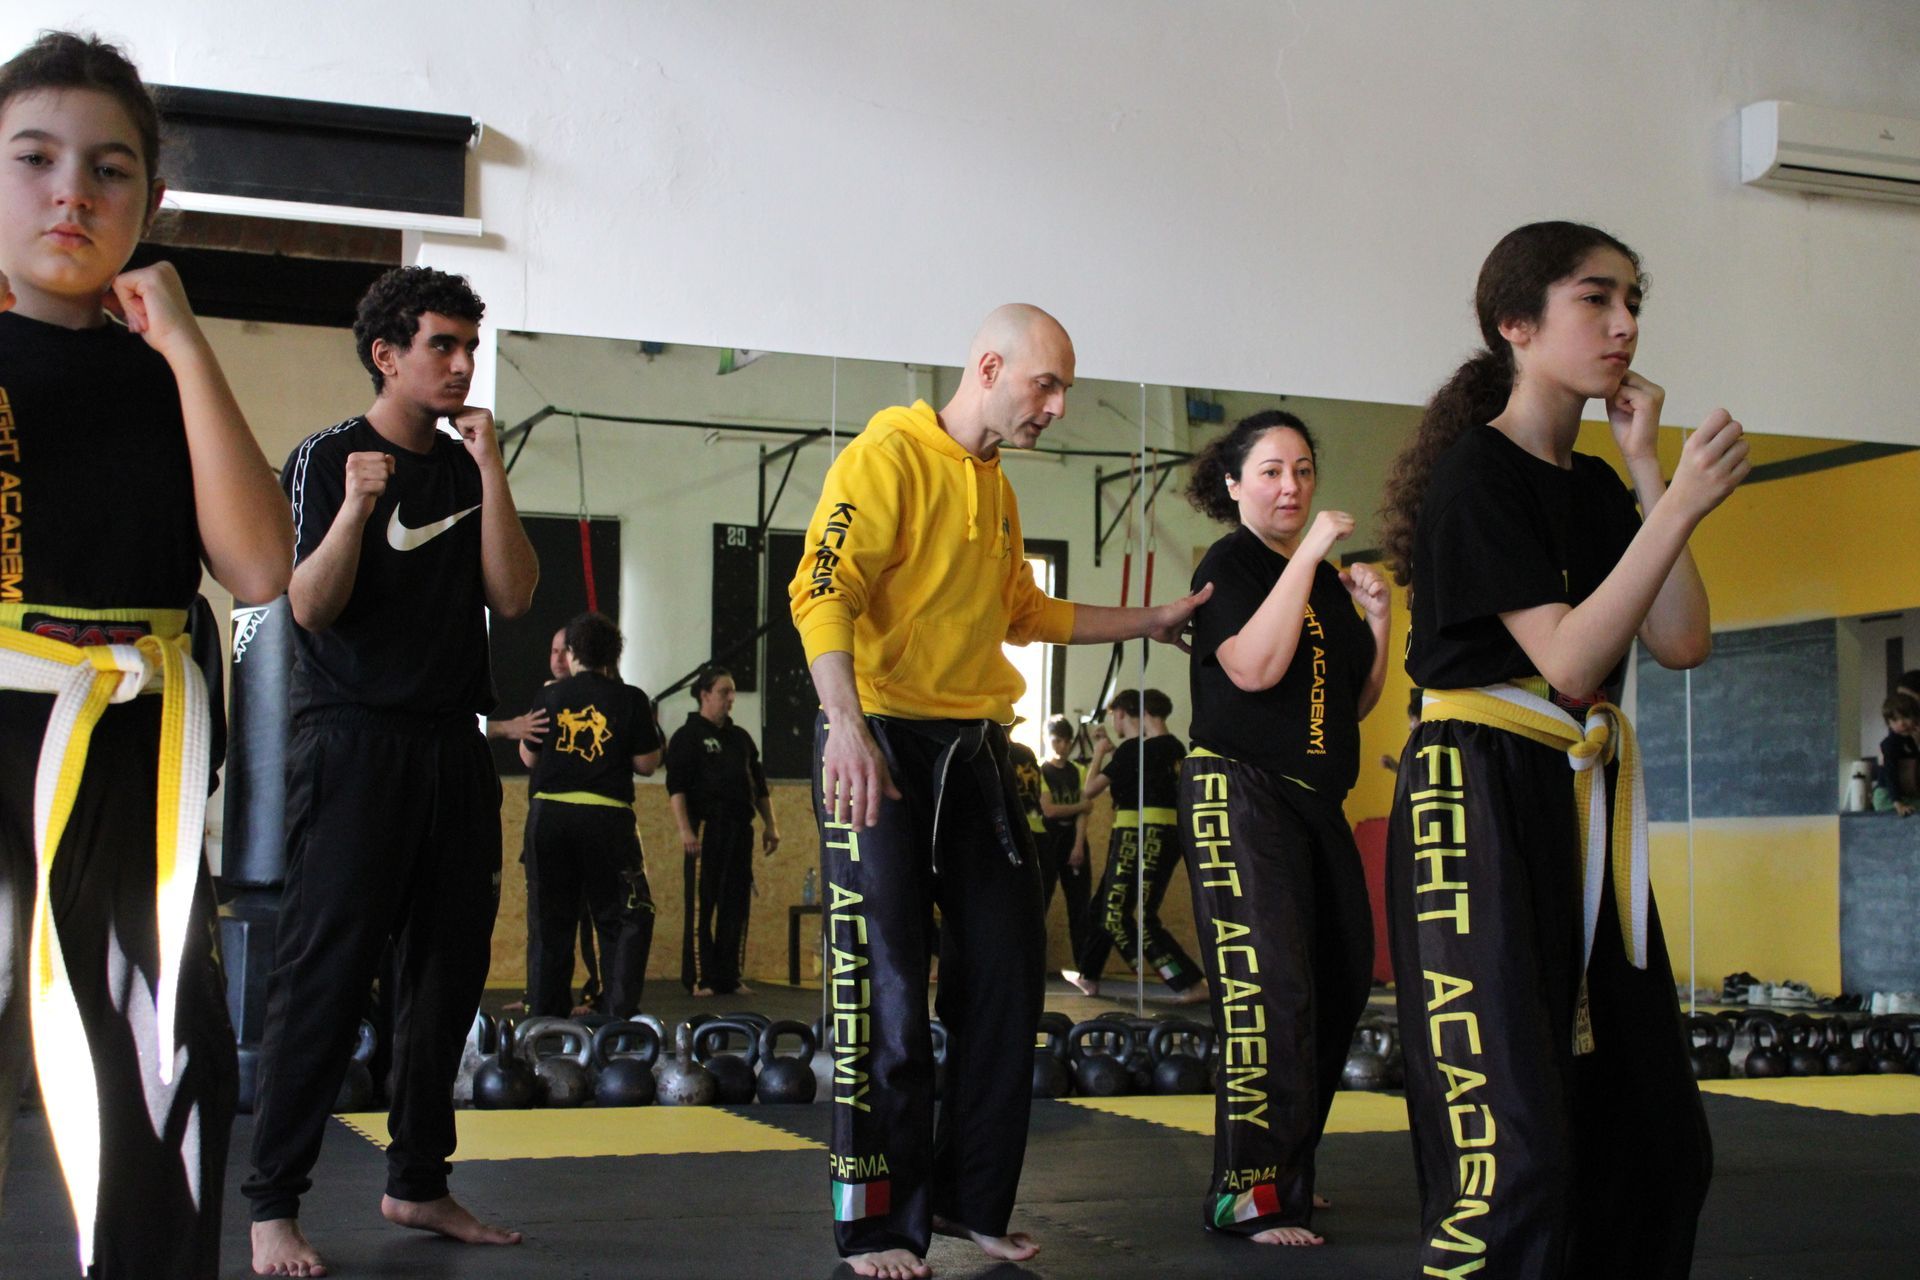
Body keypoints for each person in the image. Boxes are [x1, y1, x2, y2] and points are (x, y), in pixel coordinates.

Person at [787, 303, 1211, 1280]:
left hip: (976, 752)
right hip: (879, 737)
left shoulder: (997, 487)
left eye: (1064, 390)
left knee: (1009, 976)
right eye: (1045, 384)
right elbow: (822, 588)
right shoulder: (887, 457)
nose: (1056, 407)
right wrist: (845, 724)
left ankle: (969, 1200)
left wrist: (1150, 617)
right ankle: (878, 1224)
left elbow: (1024, 611)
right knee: (889, 989)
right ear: (988, 367)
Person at [1377, 220, 1746, 1278]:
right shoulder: (1475, 477)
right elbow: (1574, 659)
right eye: (1597, 299)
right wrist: (1682, 501)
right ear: (1516, 323)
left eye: (1634, 302)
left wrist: (1647, 472)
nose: (1625, 324)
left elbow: (1681, 640)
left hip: (1576, 791)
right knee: (1514, 1144)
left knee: (1655, 1137)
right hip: (1476, 794)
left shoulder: (1591, 486)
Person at [0, 32, 292, 1275]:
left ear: (150, 199)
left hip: (135, 750)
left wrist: (183, 340)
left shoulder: (163, 369)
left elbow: (260, 567)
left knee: (166, 1059)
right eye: (35, 159)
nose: (72, 192)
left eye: (108, 170)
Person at [245, 265, 538, 1276]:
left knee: (446, 976)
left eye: (469, 347)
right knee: (324, 973)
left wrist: (492, 468)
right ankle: (272, 1204)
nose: (461, 365)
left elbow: (515, 593)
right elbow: (309, 606)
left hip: (453, 745)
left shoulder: (463, 468)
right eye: (441, 346)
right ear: (387, 354)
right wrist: (356, 512)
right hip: (352, 741)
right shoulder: (328, 456)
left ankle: (418, 1180)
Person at [1175, 409, 1389, 1246]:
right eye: (1270, 471)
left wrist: (1378, 622)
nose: (1291, 486)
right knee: (1268, 993)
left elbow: (1351, 703)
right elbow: (1254, 669)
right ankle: (1247, 1192)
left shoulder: (1322, 582)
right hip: (1240, 791)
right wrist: (1310, 553)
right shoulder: (1230, 564)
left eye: (1302, 469)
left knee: (1340, 980)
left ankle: (1289, 1172)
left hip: (1313, 802)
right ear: (1234, 486)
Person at [518, 611, 660, 1015]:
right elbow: (647, 763)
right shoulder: (631, 698)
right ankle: (618, 1018)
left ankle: (545, 1021)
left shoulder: (549, 696)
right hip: (607, 821)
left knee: (550, 925)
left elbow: (528, 757)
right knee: (618, 920)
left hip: (550, 817)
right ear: (613, 655)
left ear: (572, 653)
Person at [1063, 689, 1207, 1004]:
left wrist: (1099, 752)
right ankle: (1089, 974)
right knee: (1103, 905)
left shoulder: (1137, 750)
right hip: (1160, 832)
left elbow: (1090, 790)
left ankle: (1183, 980)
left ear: (1124, 713)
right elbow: (1135, 774)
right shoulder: (1173, 749)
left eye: (1115, 716)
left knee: (1119, 914)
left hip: (1139, 832)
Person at [665, 664, 779, 997]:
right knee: (703, 904)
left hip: (739, 829)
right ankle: (701, 978)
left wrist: (771, 826)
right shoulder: (687, 737)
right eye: (723, 692)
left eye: (732, 692)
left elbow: (759, 787)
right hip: (705, 829)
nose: (730, 698)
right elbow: (676, 788)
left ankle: (729, 975)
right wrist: (685, 831)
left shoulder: (740, 738)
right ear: (704, 695)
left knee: (736, 903)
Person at [1036, 715, 1093, 960]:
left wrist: (1078, 845)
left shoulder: (1078, 770)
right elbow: (1049, 810)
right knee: (1041, 900)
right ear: (1046, 739)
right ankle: (1033, 962)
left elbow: (1084, 814)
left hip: (1073, 838)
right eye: (1057, 740)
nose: (1062, 746)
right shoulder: (1039, 770)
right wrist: (1081, 806)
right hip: (1048, 839)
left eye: (1067, 741)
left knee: (1080, 905)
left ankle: (1084, 965)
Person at [1873, 691, 1920, 817]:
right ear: (1888, 723)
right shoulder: (1890, 744)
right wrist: (1898, 803)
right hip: (1888, 797)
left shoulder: (1909, 741)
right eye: (1895, 720)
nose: (1901, 723)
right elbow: (1890, 773)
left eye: (1906, 717)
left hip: (1904, 794)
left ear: (1915, 717)